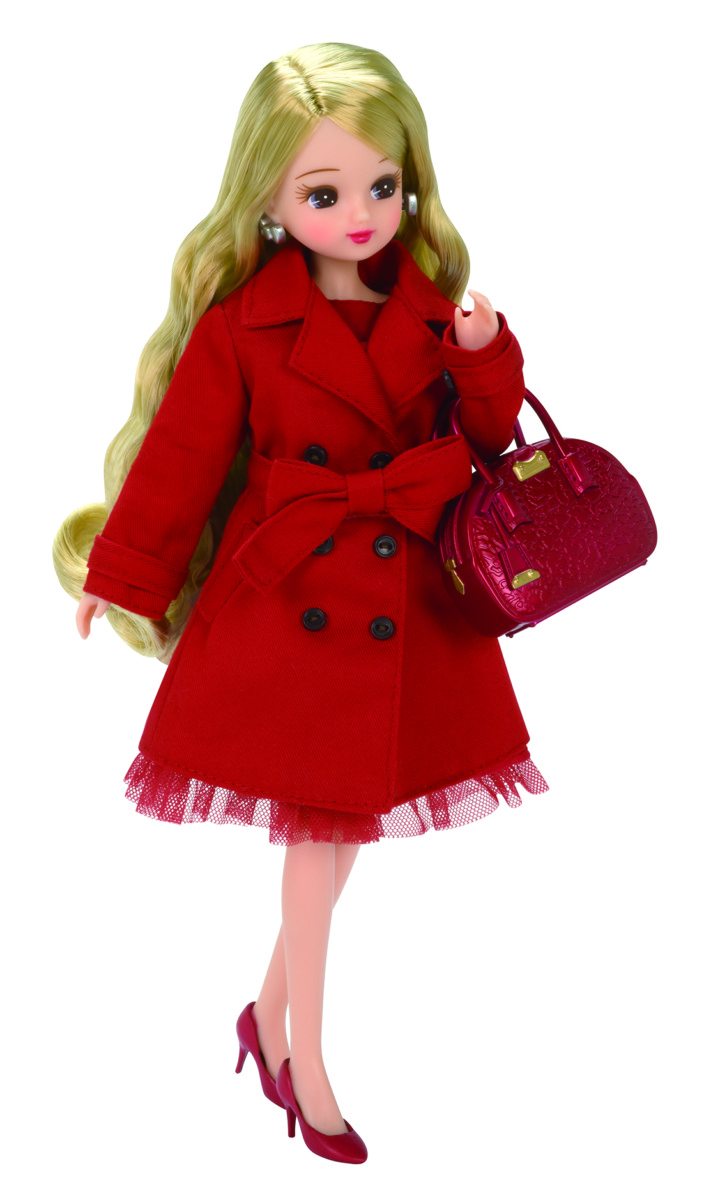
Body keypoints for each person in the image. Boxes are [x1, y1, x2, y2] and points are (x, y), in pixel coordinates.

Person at [53, 42, 548, 1164]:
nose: (360, 214)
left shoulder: (428, 307)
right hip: (290, 604)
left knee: (342, 827)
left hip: (408, 599)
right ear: (269, 201)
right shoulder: (244, 323)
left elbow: (487, 441)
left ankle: (267, 1018)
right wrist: (123, 576)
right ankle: (303, 1062)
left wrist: (483, 356)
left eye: (383, 185)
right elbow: (183, 457)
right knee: (318, 841)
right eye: (324, 194)